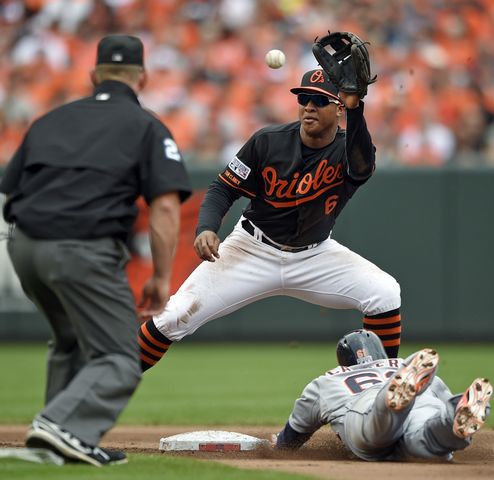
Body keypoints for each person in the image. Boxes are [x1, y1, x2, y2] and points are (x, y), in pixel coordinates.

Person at [0, 34, 192, 466]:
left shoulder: (48, 120)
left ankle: (56, 437)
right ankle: (64, 427)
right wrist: (161, 278)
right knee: (121, 356)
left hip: (24, 247)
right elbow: (164, 206)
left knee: (71, 339)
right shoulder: (147, 126)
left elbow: (9, 188)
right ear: (141, 77)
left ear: (93, 75)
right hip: (82, 248)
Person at [138, 67, 402, 371]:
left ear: (339, 108)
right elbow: (222, 188)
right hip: (251, 249)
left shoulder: (348, 149)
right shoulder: (268, 141)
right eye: (304, 98)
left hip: (314, 254)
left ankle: (381, 385)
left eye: (320, 100)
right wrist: (207, 228)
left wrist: (357, 109)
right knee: (172, 317)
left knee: (384, 293)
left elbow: (362, 163)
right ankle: (105, 387)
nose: (309, 106)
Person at [274, 329, 492, 461]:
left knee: (377, 430)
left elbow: (293, 436)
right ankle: (451, 424)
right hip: (422, 402)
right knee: (427, 443)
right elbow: (440, 398)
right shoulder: (399, 364)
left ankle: (391, 402)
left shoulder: (327, 381)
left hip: (364, 407)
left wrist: (278, 448)